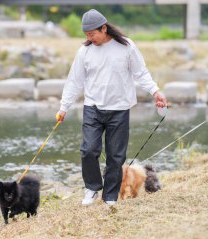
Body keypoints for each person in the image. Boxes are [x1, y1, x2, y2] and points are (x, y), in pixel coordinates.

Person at [56, 9, 167, 206]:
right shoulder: (85, 52)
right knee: (88, 150)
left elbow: (141, 73)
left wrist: (155, 91)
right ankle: (92, 188)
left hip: (119, 109)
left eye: (93, 34)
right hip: (93, 108)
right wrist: (64, 107)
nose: (90, 38)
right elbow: (74, 81)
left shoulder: (126, 46)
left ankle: (110, 197)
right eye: (86, 35)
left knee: (116, 157)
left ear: (104, 28)